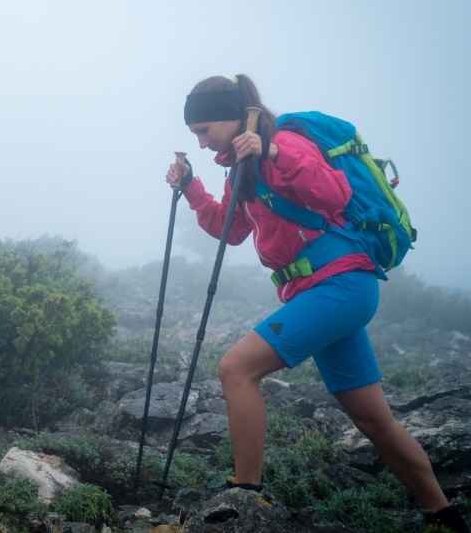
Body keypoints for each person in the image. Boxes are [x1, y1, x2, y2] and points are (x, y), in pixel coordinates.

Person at [165, 74, 467, 533]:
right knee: (373, 419)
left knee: (236, 368)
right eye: (195, 136)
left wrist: (272, 152)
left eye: (204, 131)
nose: (202, 143)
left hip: (341, 285)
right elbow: (228, 229)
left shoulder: (284, 142)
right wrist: (190, 185)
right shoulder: (240, 167)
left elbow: (334, 194)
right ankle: (442, 515)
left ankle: (245, 496)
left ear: (230, 117)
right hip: (321, 292)